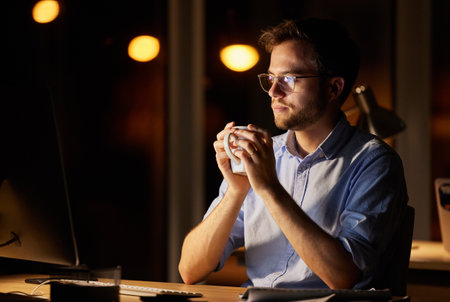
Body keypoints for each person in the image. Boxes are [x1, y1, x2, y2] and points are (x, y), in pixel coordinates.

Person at [178, 18, 408, 289]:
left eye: (289, 78)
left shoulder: (374, 162)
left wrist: (268, 188)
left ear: (333, 88)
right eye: (271, 78)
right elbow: (190, 271)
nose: (274, 92)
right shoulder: (261, 155)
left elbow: (344, 276)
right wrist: (235, 191)